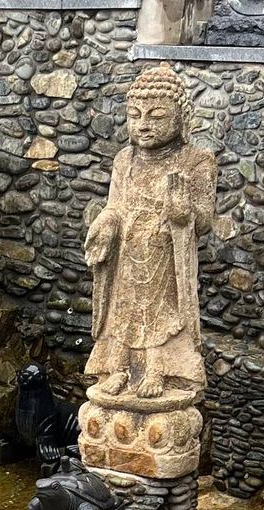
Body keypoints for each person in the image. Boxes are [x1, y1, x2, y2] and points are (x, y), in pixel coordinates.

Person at [85, 64, 215, 401]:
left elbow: (203, 221)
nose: (143, 124)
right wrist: (106, 222)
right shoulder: (124, 159)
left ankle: (158, 368)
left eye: (156, 116)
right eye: (135, 115)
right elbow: (115, 206)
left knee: (160, 313)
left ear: (180, 117)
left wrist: (181, 213)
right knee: (123, 309)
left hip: (165, 252)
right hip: (127, 250)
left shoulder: (196, 161)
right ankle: (119, 368)